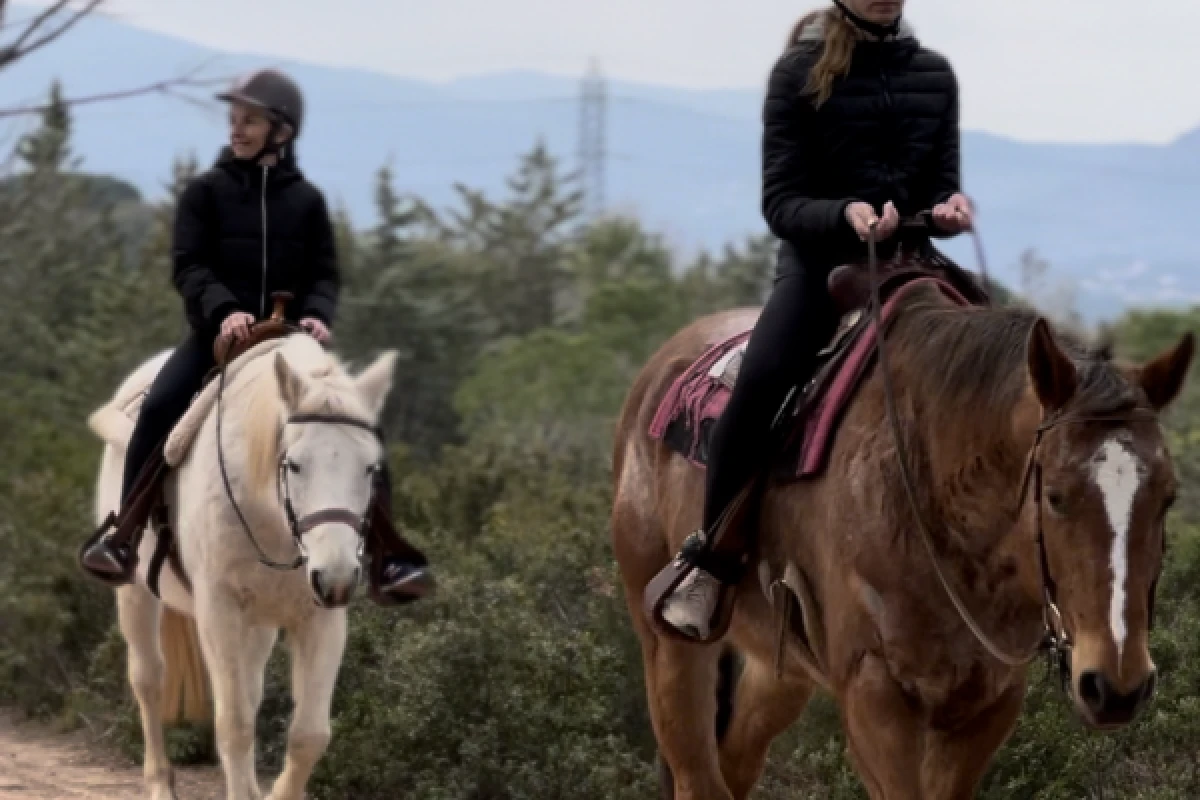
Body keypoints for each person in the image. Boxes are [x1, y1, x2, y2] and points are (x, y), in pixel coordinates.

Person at [658, 0, 974, 640]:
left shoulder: (936, 77)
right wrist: (846, 214)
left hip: (913, 262)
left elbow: (941, 182)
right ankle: (713, 561)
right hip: (819, 269)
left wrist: (949, 208)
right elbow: (781, 202)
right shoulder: (797, 74)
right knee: (761, 383)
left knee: (1004, 370)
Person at [80, 69, 432, 603]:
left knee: (358, 431)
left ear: (282, 132)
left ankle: (389, 559)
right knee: (158, 410)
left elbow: (324, 274)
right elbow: (189, 267)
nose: (237, 129)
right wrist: (223, 311)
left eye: (250, 120)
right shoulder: (204, 194)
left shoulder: (308, 201)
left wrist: (317, 314)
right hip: (217, 339)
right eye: (234, 120)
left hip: (292, 343)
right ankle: (123, 534)